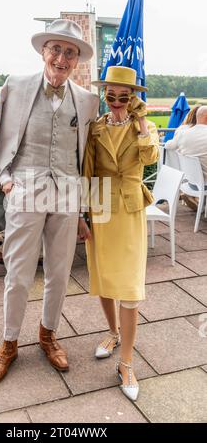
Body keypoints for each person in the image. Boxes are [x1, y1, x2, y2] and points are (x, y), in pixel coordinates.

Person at [0, 19, 99, 388]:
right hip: (25, 189)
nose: (62, 58)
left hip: (66, 195)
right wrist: (4, 181)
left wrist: (86, 211)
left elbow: (87, 158)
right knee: (17, 273)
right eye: (56, 49)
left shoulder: (88, 100)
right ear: (43, 52)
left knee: (60, 273)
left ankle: (48, 335)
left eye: (70, 52)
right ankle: (9, 343)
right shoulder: (15, 86)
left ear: (77, 60)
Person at [79, 66, 159, 402]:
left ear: (134, 97)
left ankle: (126, 362)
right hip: (100, 209)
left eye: (123, 96)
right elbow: (87, 172)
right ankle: (111, 333)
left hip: (128, 210)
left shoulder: (146, 127)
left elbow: (151, 157)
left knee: (128, 284)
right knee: (104, 278)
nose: (115, 102)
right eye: (109, 96)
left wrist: (139, 121)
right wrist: (81, 215)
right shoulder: (95, 128)